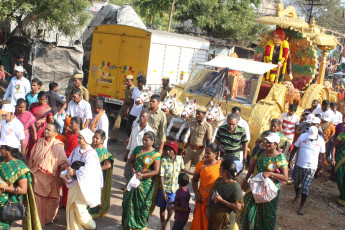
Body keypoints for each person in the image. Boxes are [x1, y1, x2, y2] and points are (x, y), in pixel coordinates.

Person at [240, 133, 288, 229]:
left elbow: (285, 177)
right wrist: (245, 180)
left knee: (268, 213)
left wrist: (270, 174)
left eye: (270, 142)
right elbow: (251, 168)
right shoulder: (260, 153)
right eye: (266, 141)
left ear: (276, 144)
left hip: (271, 189)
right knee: (249, 208)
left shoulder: (280, 157)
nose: (267, 143)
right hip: (256, 185)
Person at [29, 123, 68, 226]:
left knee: (50, 200)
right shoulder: (39, 142)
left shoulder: (58, 145)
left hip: (50, 178)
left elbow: (63, 163)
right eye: (45, 129)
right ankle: (35, 220)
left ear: (55, 133)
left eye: (49, 130)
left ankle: (47, 219)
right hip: (36, 174)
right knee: (35, 198)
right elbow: (32, 159)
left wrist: (61, 178)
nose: (46, 131)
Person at [122, 131, 161, 229]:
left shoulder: (156, 154)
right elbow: (130, 161)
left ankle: (140, 226)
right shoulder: (137, 149)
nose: (144, 142)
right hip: (134, 180)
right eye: (143, 139)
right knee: (128, 202)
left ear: (152, 141)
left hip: (145, 184)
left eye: (146, 140)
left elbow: (156, 171)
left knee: (143, 205)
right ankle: (128, 224)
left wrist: (143, 176)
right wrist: (133, 170)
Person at [65, 128, 103, 230]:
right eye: (78, 137)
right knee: (71, 206)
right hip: (74, 182)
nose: (78, 140)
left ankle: (91, 225)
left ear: (86, 139)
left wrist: (75, 172)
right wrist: (69, 170)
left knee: (79, 208)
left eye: (80, 138)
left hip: (84, 184)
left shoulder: (91, 153)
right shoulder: (76, 149)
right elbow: (69, 161)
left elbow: (88, 171)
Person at [0, 139, 41, 229]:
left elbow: (23, 190)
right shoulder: (1, 160)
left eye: (2, 147)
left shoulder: (19, 167)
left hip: (5, 203)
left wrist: (4, 188)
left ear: (9, 150)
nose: (0, 149)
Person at [289, 126, 325, 215]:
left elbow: (322, 155)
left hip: (311, 167)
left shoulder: (320, 140)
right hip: (300, 165)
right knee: (297, 183)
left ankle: (301, 206)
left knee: (305, 187)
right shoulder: (303, 137)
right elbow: (295, 148)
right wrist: (290, 160)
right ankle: (297, 195)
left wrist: (322, 168)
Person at [190, 143, 221, 230]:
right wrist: (196, 193)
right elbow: (195, 181)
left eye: (208, 153)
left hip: (215, 200)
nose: (205, 155)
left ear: (215, 154)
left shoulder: (221, 166)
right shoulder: (200, 165)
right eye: (205, 152)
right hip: (202, 199)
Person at [157, 141, 185, 229]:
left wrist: (194, 173)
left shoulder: (180, 159)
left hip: (174, 190)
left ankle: (167, 221)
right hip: (164, 188)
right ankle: (162, 225)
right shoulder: (164, 160)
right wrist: (163, 192)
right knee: (162, 208)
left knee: (171, 209)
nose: (167, 152)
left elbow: (183, 169)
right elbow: (161, 175)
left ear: (175, 150)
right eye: (167, 150)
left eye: (170, 150)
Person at [207, 160, 243, 230]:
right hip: (214, 218)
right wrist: (208, 209)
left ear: (225, 172)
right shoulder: (219, 180)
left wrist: (221, 200)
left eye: (220, 167)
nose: (218, 169)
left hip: (226, 222)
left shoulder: (235, 186)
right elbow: (210, 193)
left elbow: (238, 206)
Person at [89, 130, 114, 218]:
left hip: (96, 177)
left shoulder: (103, 151)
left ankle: (92, 215)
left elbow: (108, 165)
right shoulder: (89, 147)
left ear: (102, 140)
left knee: (94, 195)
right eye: (93, 137)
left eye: (97, 138)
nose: (94, 139)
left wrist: (96, 169)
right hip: (87, 175)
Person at [182, 106, 213, 174]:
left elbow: (209, 142)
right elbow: (190, 136)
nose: (197, 115)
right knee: (184, 169)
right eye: (196, 113)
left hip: (200, 152)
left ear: (204, 115)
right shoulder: (192, 123)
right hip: (190, 149)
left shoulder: (208, 126)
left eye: (199, 114)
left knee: (199, 171)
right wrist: (185, 148)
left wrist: (206, 154)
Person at [124, 109, 154, 179]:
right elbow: (131, 141)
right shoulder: (135, 127)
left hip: (141, 157)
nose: (141, 118)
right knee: (127, 173)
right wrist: (127, 153)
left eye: (143, 117)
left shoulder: (149, 131)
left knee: (137, 174)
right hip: (131, 154)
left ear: (148, 118)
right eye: (140, 116)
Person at [61, 116, 82, 208]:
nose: (70, 125)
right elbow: (65, 145)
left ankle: (70, 203)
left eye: (72, 123)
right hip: (67, 158)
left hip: (75, 161)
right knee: (65, 181)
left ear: (78, 125)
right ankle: (64, 202)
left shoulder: (81, 136)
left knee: (72, 183)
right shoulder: (68, 133)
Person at [110, 75, 135, 143]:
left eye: (128, 81)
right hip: (124, 106)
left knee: (130, 124)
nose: (126, 82)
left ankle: (131, 140)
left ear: (132, 81)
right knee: (117, 120)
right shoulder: (127, 88)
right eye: (126, 81)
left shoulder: (134, 89)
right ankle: (113, 137)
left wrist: (128, 109)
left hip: (130, 107)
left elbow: (133, 101)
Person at [331, 130, 345, 206]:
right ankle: (342, 196)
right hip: (340, 159)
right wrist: (333, 158)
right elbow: (334, 146)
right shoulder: (342, 135)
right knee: (340, 177)